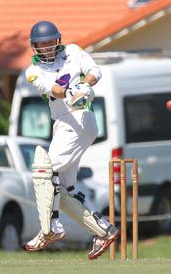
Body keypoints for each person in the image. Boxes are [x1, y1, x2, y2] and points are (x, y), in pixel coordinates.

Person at [23, 20, 119, 260]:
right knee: (64, 190)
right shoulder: (33, 72)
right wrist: (69, 92)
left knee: (45, 172)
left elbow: (94, 72)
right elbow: (52, 90)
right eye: (41, 44)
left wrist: (84, 86)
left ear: (58, 40)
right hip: (63, 122)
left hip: (81, 118)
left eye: (49, 43)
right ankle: (104, 231)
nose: (46, 48)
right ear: (34, 47)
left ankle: (50, 228)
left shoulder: (73, 52)